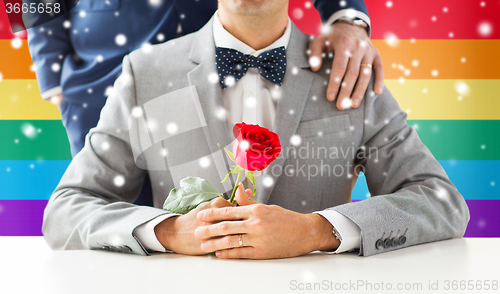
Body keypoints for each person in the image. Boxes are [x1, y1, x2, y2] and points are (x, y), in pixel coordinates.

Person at [42, 0, 469, 258]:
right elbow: (66, 210)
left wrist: (316, 231)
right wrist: (168, 233)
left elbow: (442, 201)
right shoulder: (146, 75)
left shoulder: (348, 73)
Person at [27, 0, 383, 157]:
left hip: (223, 69)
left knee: (222, 226)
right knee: (113, 229)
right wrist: (53, 80)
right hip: (100, 80)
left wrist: (345, 16)